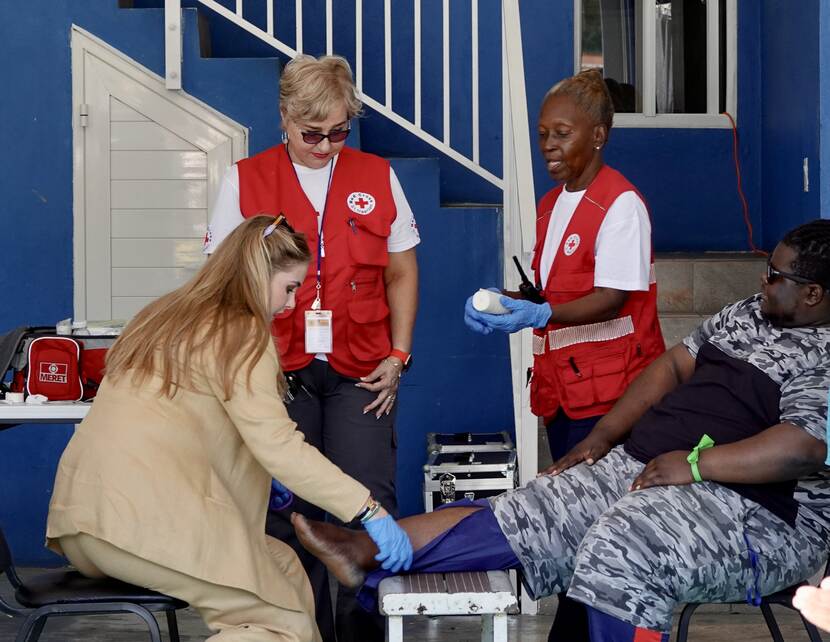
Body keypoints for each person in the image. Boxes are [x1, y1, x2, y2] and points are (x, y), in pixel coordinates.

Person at [298, 219, 830, 642]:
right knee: (537, 505)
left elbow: (802, 446)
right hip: (654, 465)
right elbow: (672, 366)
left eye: (777, 275)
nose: (764, 280)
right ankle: (364, 548)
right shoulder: (746, 315)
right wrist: (604, 436)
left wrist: (693, 465)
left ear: (813, 294)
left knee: (624, 545)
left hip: (761, 511)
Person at [45, 215, 413, 642]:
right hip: (142, 526)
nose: (293, 304)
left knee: (284, 565)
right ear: (259, 275)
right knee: (279, 628)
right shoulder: (240, 333)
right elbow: (278, 444)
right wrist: (370, 510)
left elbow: (189, 418)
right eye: (290, 287)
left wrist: (261, 478)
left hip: (86, 522)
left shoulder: (163, 315)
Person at [203, 55, 420, 642]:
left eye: (340, 132)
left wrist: (398, 356)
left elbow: (401, 272)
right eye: (312, 134)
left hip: (362, 374)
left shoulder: (377, 176)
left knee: (366, 505)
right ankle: (295, 632)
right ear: (283, 119)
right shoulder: (243, 180)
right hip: (276, 375)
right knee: (286, 518)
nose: (327, 146)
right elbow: (222, 289)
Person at [464, 68, 665, 639]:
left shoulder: (620, 204)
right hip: (566, 390)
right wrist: (508, 304)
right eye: (543, 134)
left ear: (598, 135)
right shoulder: (555, 204)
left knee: (601, 529)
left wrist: (542, 313)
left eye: (562, 134)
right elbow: (551, 291)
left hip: (615, 395)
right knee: (578, 526)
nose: (548, 146)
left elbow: (615, 294)